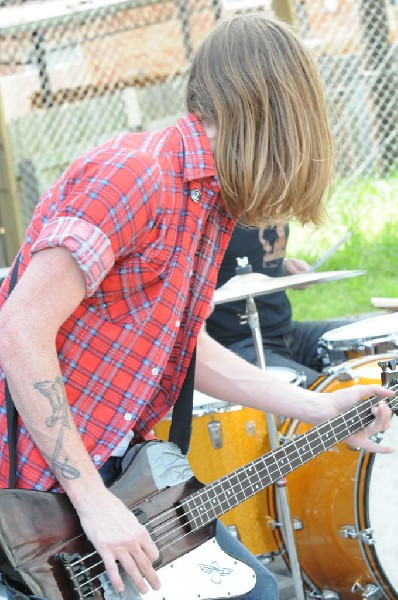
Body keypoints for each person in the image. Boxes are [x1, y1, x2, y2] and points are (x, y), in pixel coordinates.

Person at [0, 13, 393, 600]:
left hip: (111, 467)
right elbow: (20, 330)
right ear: (276, 113)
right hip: (31, 498)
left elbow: (185, 348)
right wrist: (93, 501)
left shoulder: (208, 204)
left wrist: (318, 406)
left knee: (255, 591)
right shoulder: (135, 175)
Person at [206, 223, 352, 388]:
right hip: (239, 344)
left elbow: (240, 261)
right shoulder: (213, 215)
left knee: (377, 346)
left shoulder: (271, 203)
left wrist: (283, 268)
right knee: (328, 391)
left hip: (287, 331)